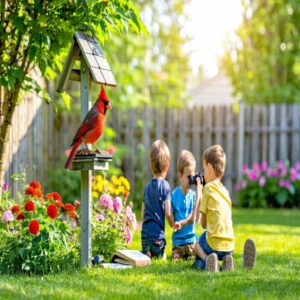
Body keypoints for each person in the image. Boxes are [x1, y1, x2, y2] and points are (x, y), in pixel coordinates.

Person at [193, 144, 235, 272]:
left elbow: (203, 224)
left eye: (204, 167)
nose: (204, 171)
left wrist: (199, 192)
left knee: (196, 245)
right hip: (229, 245)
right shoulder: (226, 191)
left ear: (209, 168)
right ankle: (227, 261)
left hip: (214, 244)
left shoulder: (207, 189)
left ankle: (208, 262)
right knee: (216, 243)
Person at [141, 140, 174, 259]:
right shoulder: (165, 186)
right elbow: (168, 212)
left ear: (151, 165)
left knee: (147, 249)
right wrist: (172, 223)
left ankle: (147, 252)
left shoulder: (147, 187)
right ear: (167, 166)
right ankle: (159, 254)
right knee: (162, 256)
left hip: (144, 237)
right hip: (158, 239)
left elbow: (142, 214)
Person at [171, 150, 201, 260]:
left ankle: (190, 255)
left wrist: (199, 192)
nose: (191, 180)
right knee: (176, 253)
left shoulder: (194, 196)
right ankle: (178, 255)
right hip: (178, 242)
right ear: (180, 175)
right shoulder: (174, 196)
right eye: (188, 176)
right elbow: (171, 219)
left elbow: (197, 219)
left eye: (193, 176)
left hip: (191, 240)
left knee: (198, 248)